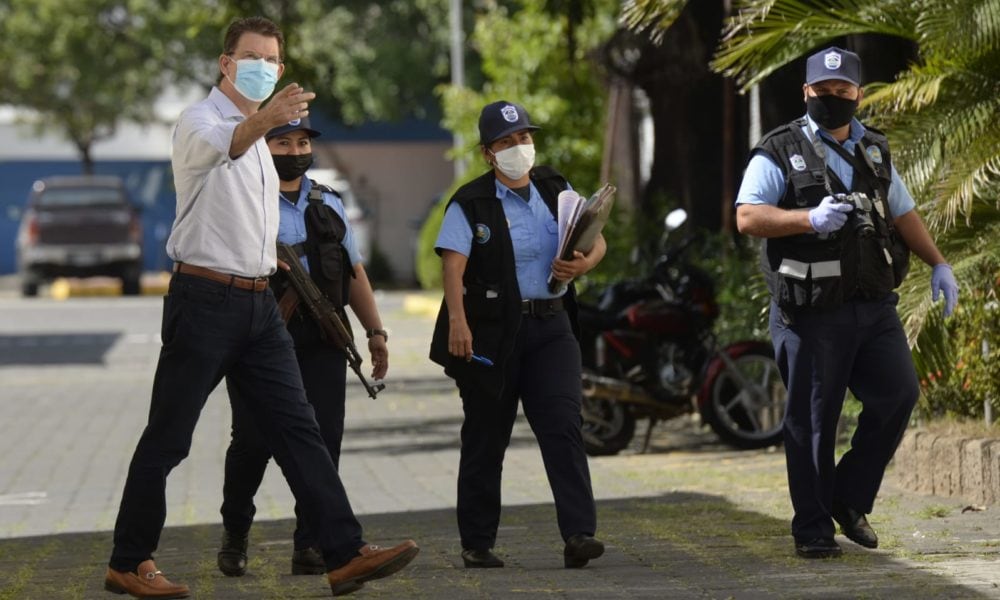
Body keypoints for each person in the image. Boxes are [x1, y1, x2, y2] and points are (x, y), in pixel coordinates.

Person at [103, 17, 416, 599]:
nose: (264, 68)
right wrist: (267, 119)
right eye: (253, 57)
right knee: (170, 436)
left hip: (259, 304)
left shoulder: (264, 143)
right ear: (226, 64)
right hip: (204, 300)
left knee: (300, 429)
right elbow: (229, 143)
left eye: (272, 60)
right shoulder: (200, 121)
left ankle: (344, 553)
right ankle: (128, 560)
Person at [735, 46, 960, 559]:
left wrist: (938, 263)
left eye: (843, 91)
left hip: (873, 303)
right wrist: (807, 219)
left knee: (898, 394)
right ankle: (813, 528)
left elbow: (902, 213)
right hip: (811, 310)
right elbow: (748, 216)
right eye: (823, 90)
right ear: (806, 92)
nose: (833, 98)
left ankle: (847, 496)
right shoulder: (778, 149)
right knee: (814, 420)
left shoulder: (874, 150)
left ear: (859, 94)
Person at [429, 100, 607, 569]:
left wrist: (583, 265)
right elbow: (453, 267)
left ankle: (579, 533)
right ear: (488, 153)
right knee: (487, 435)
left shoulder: (555, 188)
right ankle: (477, 541)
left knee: (563, 426)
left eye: (523, 138)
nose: (518, 147)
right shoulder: (471, 202)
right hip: (491, 334)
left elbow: (596, 238)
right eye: (506, 142)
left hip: (552, 327)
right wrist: (458, 322)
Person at [217, 117, 390, 578]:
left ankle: (311, 543)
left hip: (323, 340)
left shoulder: (328, 204)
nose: (294, 151)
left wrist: (375, 332)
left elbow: (354, 273)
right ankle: (235, 531)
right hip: (257, 342)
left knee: (324, 439)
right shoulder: (244, 200)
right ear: (262, 147)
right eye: (282, 142)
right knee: (252, 442)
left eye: (301, 142)